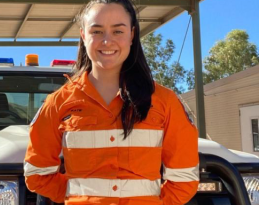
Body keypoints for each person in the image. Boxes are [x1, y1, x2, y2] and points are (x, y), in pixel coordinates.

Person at [24, 0, 199, 204]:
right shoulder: (57, 103)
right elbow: (37, 174)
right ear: (83, 36)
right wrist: (79, 197)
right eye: (97, 31)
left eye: (118, 31)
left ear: (132, 35)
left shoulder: (165, 102)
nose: (107, 41)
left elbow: (184, 179)